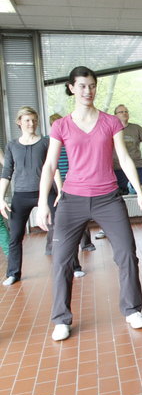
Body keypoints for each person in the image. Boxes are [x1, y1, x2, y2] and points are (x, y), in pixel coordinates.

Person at [37, 66, 142, 341]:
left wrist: (140, 191)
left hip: (108, 198)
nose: (88, 91)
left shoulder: (110, 122)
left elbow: (124, 158)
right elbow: (50, 164)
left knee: (126, 252)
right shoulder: (61, 125)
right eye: (82, 86)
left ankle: (132, 309)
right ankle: (61, 319)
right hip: (72, 200)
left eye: (92, 85)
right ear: (72, 88)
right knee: (61, 259)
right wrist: (42, 202)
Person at [0, 107, 63, 285]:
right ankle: (13, 273)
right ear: (19, 122)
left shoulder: (45, 142)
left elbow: (54, 167)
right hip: (21, 195)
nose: (31, 124)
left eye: (34, 120)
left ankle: (72, 266)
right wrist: (1, 198)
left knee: (60, 229)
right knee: (15, 236)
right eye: (27, 120)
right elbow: (6, 172)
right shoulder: (12, 145)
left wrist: (60, 190)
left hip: (46, 192)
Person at [95, 104, 142, 238]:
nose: (124, 113)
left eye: (126, 111)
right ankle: (104, 228)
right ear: (115, 115)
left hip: (138, 166)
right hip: (117, 168)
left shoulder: (136, 128)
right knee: (108, 197)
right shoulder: (110, 129)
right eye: (121, 112)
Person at [48, 113, 95, 254]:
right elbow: (50, 163)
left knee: (81, 212)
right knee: (57, 215)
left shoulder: (73, 138)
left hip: (75, 180)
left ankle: (86, 243)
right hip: (56, 181)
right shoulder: (50, 141)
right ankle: (52, 246)